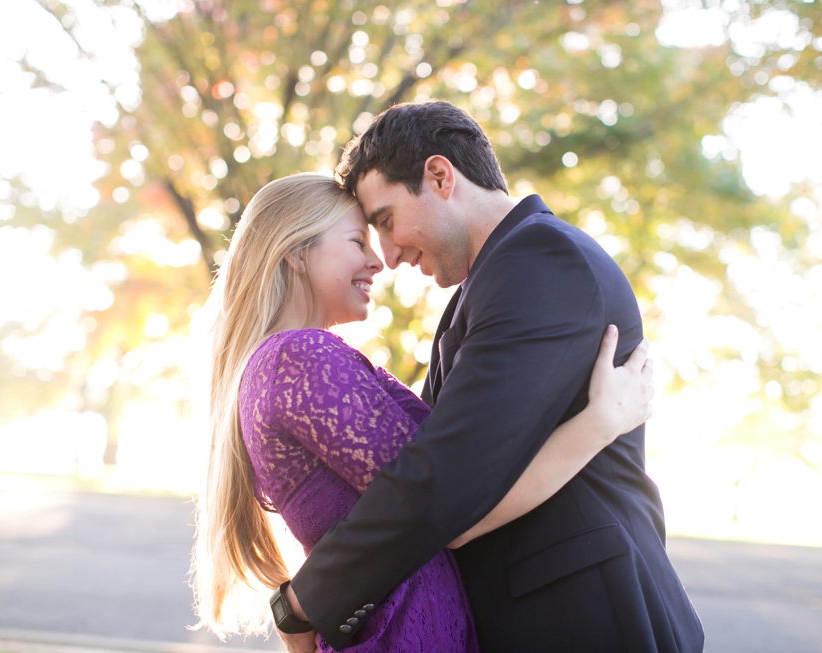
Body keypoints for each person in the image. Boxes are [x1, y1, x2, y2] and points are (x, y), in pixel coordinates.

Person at [282, 102, 704, 652]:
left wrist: (307, 599)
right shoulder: (487, 286)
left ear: (439, 176)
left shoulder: (541, 259)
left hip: (589, 619)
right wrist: (597, 424)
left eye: (386, 220)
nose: (388, 254)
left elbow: (449, 482)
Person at [191, 172, 656, 652]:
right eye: (358, 241)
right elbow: (449, 500)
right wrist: (599, 425)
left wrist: (300, 608)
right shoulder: (299, 358)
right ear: (295, 250)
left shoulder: (285, 363)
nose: (378, 261)